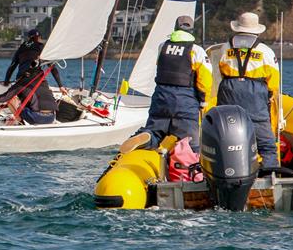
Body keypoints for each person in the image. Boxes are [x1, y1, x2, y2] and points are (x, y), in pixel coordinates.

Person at [120, 15, 212, 154]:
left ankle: (148, 136)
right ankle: (189, 167)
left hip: (161, 96)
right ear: (192, 31)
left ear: (175, 28)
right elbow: (204, 80)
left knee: (156, 130)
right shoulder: (197, 51)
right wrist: (203, 102)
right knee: (190, 143)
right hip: (185, 101)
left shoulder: (162, 46)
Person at [216, 12, 280, 167]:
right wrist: (269, 94)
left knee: (228, 134)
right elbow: (273, 80)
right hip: (255, 94)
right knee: (267, 145)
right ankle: (269, 172)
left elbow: (221, 70)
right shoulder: (265, 50)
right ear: (257, 30)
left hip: (229, 91)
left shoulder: (226, 47)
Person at [2, 28, 68, 94]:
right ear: (39, 37)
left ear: (29, 37)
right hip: (34, 79)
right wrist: (60, 86)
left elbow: (12, 66)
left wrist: (6, 82)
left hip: (20, 79)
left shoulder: (21, 48)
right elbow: (52, 67)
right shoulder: (41, 47)